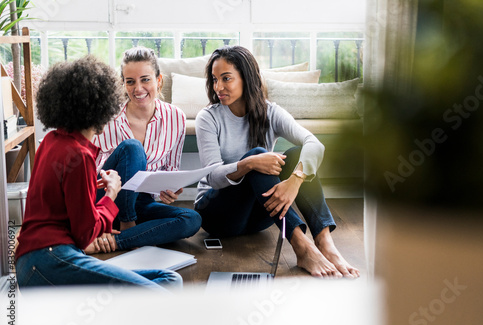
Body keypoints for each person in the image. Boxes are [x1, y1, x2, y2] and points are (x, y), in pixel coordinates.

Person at [15, 55, 182, 290]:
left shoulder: (50, 141)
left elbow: (58, 200)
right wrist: (112, 193)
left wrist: (92, 187)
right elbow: (86, 235)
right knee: (159, 291)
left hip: (33, 258)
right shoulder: (79, 154)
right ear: (104, 105)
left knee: (171, 279)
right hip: (50, 258)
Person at [195, 46, 360, 278]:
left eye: (226, 78)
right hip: (218, 215)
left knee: (296, 154)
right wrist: (249, 164)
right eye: (214, 79)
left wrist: (295, 180)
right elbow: (212, 176)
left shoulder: (270, 112)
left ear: (247, 77)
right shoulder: (208, 118)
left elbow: (314, 145)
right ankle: (302, 247)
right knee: (259, 156)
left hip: (260, 217)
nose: (218, 87)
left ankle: (324, 242)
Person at [88, 46, 201, 254]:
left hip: (142, 201)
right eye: (130, 81)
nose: (138, 88)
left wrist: (169, 189)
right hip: (106, 199)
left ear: (158, 81)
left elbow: (171, 168)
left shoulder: (176, 117)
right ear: (123, 84)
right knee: (133, 147)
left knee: (191, 219)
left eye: (145, 79)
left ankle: (116, 242)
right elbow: (90, 171)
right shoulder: (108, 116)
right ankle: (128, 224)